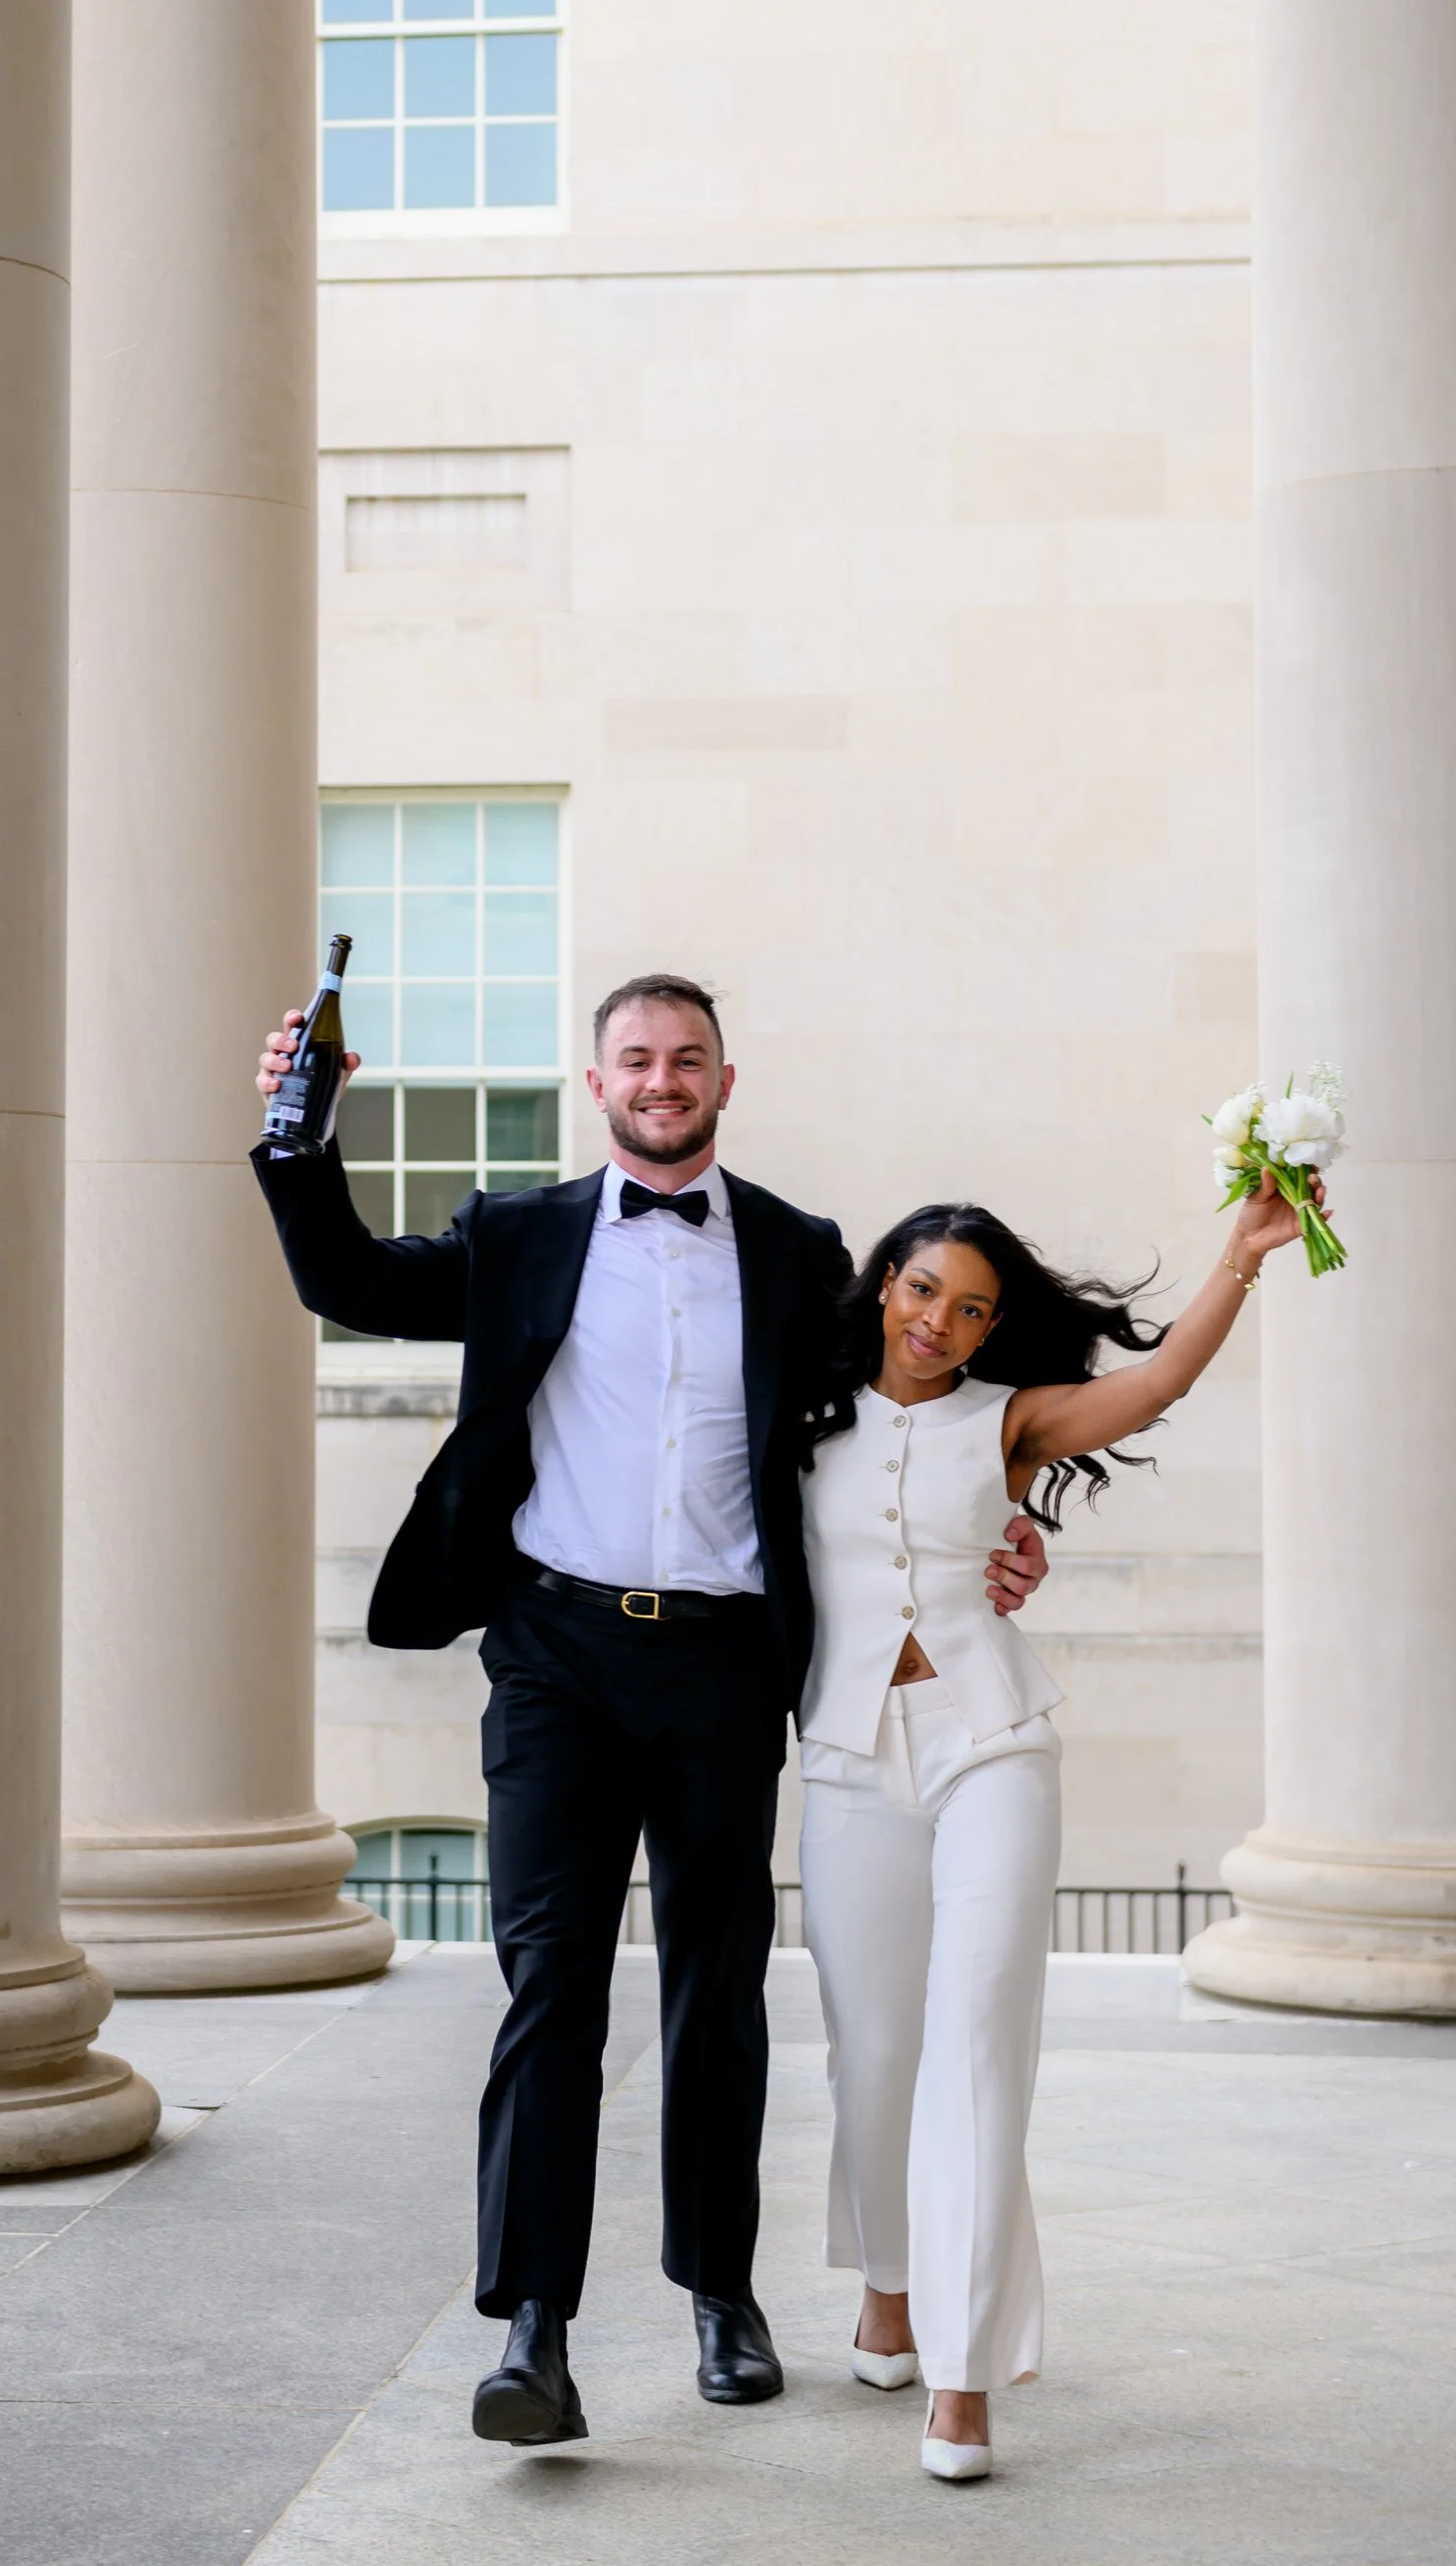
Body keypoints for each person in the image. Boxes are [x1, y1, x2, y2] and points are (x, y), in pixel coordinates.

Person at [252, 973, 1048, 2446]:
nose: (662, 1079)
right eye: (638, 1059)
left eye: (688, 1060)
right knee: (551, 1984)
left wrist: (1012, 1517)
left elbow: (926, 1393)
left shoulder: (809, 1256)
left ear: (725, 1084)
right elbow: (350, 1285)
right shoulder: (517, 1235)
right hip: (555, 1650)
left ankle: (720, 2294)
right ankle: (534, 2333)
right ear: (598, 1080)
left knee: (716, 1981)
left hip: (726, 1664)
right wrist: (299, 1134)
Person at [797, 1167, 1323, 2483]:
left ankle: (964, 2380)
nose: (939, 1323)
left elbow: (1155, 1390)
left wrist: (1244, 1254)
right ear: (883, 1287)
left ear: (991, 1329)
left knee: (976, 2041)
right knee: (870, 2055)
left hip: (993, 1747)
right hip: (849, 1759)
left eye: (971, 1310)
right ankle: (889, 2291)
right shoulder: (795, 1418)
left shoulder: (1012, 1421)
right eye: (924, 1291)